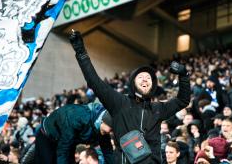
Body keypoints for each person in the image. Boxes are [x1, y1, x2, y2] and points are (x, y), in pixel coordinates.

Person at [69, 31, 191, 164]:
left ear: (153, 84)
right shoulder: (119, 103)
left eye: (148, 78)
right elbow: (95, 82)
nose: (145, 80)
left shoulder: (158, 108)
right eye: (141, 77)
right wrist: (81, 51)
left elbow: (182, 100)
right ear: (133, 82)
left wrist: (184, 75)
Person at [34, 102, 114, 164]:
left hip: (69, 141)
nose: (110, 132)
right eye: (110, 129)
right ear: (102, 121)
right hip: (47, 137)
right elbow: (63, 150)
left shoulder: (103, 129)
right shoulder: (78, 118)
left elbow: (108, 152)